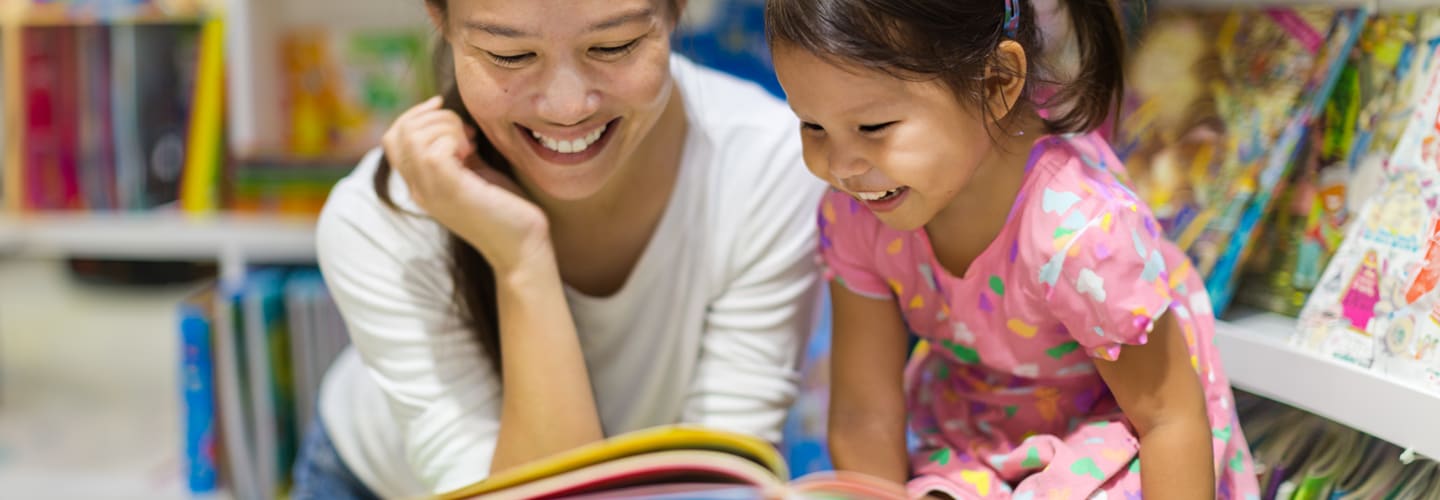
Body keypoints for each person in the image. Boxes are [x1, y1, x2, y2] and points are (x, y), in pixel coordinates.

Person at [291, 1, 826, 497]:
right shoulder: (379, 220)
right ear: (441, 19)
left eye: (614, 46)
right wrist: (521, 260)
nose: (568, 107)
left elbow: (714, 479)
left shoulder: (771, 166)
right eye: (511, 55)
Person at [765, 0, 1262, 497]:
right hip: (976, 426)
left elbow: (1168, 421)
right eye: (812, 126)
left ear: (999, 82)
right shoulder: (856, 215)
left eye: (874, 128)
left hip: (1117, 424)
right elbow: (863, 415)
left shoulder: (1081, 234)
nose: (842, 165)